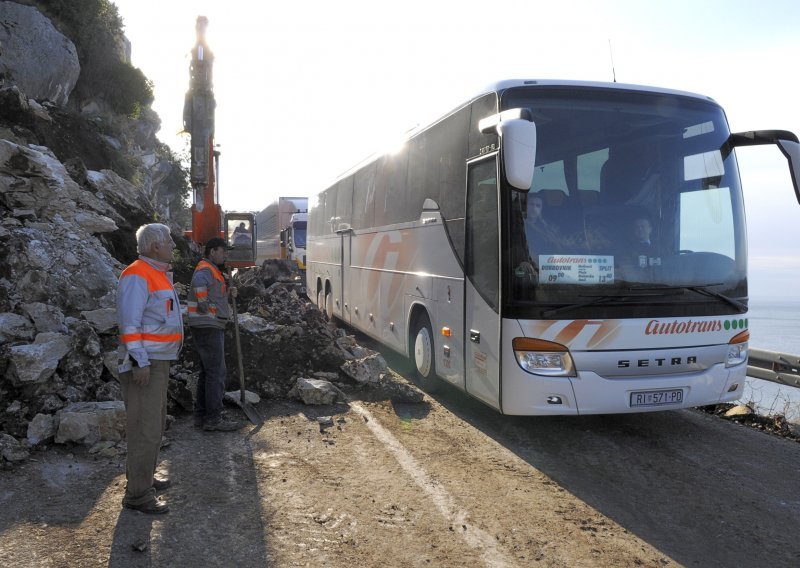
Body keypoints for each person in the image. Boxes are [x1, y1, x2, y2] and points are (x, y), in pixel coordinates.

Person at [116, 223, 183, 515]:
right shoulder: (137, 275)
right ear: (155, 246)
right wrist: (140, 362)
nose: (173, 245)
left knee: (152, 426)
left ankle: (144, 480)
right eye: (169, 241)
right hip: (146, 365)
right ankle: (138, 495)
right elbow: (129, 324)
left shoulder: (154, 273)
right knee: (144, 429)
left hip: (158, 361)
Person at [187, 237, 244, 432]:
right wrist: (203, 301)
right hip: (208, 325)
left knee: (208, 372)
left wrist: (229, 292)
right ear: (212, 251)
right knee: (216, 373)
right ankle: (213, 418)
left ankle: (202, 415)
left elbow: (215, 294)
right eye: (223, 250)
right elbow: (198, 283)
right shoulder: (205, 269)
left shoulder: (214, 271)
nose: (226, 254)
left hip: (207, 325)